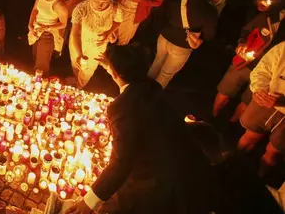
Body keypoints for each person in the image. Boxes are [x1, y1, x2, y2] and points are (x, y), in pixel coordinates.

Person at [66, 45, 216, 214]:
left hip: (161, 184)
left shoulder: (122, 107)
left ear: (116, 74)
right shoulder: (153, 88)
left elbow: (121, 163)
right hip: (193, 171)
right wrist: (112, 66)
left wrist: (89, 202)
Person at [148, 0, 222, 88]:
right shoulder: (209, 11)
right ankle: (149, 98)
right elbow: (209, 35)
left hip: (165, 36)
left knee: (156, 64)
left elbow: (165, 12)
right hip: (182, 45)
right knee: (166, 74)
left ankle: (140, 90)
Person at [214, 7, 285, 118]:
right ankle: (214, 117)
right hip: (247, 62)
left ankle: (231, 126)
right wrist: (242, 43)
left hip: (269, 74)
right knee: (225, 90)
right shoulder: (270, 16)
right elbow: (247, 30)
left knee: (246, 102)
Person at [237, 41, 285, 172]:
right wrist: (260, 90)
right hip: (266, 102)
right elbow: (262, 70)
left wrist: (280, 102)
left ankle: (259, 180)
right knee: (249, 137)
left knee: (273, 153)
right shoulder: (283, 48)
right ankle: (233, 167)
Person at [70, 0, 122, 87]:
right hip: (79, 41)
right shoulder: (81, 8)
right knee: (76, 65)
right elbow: (75, 34)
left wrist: (108, 32)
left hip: (97, 46)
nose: (100, 4)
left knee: (87, 70)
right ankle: (76, 79)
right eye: (97, 0)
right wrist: (79, 54)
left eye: (105, 1)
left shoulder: (116, 8)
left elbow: (118, 21)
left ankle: (79, 86)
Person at [28, 0, 69, 76]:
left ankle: (39, 85)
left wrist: (46, 27)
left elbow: (63, 24)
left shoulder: (60, 5)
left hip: (47, 35)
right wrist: (30, 24)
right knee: (35, 56)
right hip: (36, 30)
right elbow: (35, 9)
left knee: (41, 65)